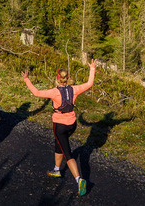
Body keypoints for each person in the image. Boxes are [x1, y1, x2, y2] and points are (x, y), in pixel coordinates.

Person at [22, 59, 98, 196]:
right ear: (67, 78)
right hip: (72, 124)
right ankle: (57, 169)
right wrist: (92, 68)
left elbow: (36, 93)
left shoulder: (54, 92)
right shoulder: (74, 89)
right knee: (59, 144)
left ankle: (79, 180)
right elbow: (89, 83)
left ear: (57, 78)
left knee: (67, 153)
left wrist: (26, 79)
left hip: (60, 126)